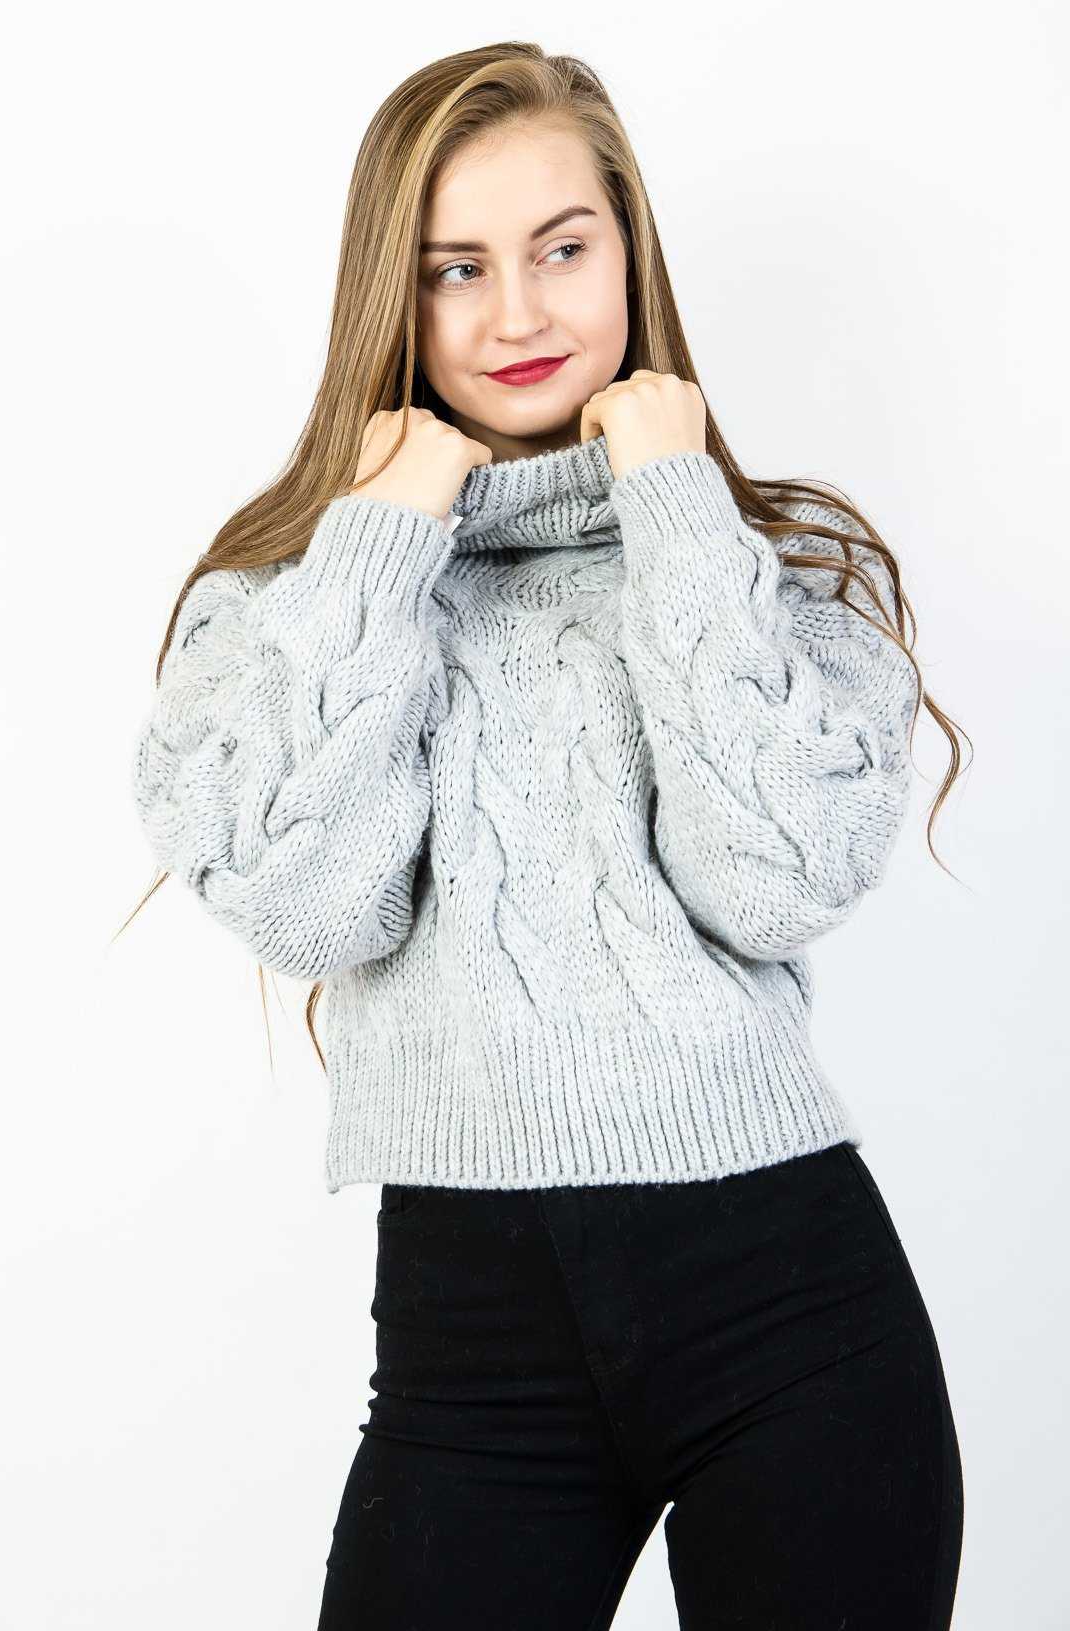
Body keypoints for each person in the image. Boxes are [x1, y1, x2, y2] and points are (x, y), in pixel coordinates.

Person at [126, 41, 969, 1631]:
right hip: (471, 1365)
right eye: (456, 268)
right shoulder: (285, 600)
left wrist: (677, 512)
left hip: (792, 1317)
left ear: (631, 255)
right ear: (392, 294)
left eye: (561, 249)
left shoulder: (772, 564)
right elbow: (312, 906)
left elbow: (777, 881)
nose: (516, 313)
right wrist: (381, 538)